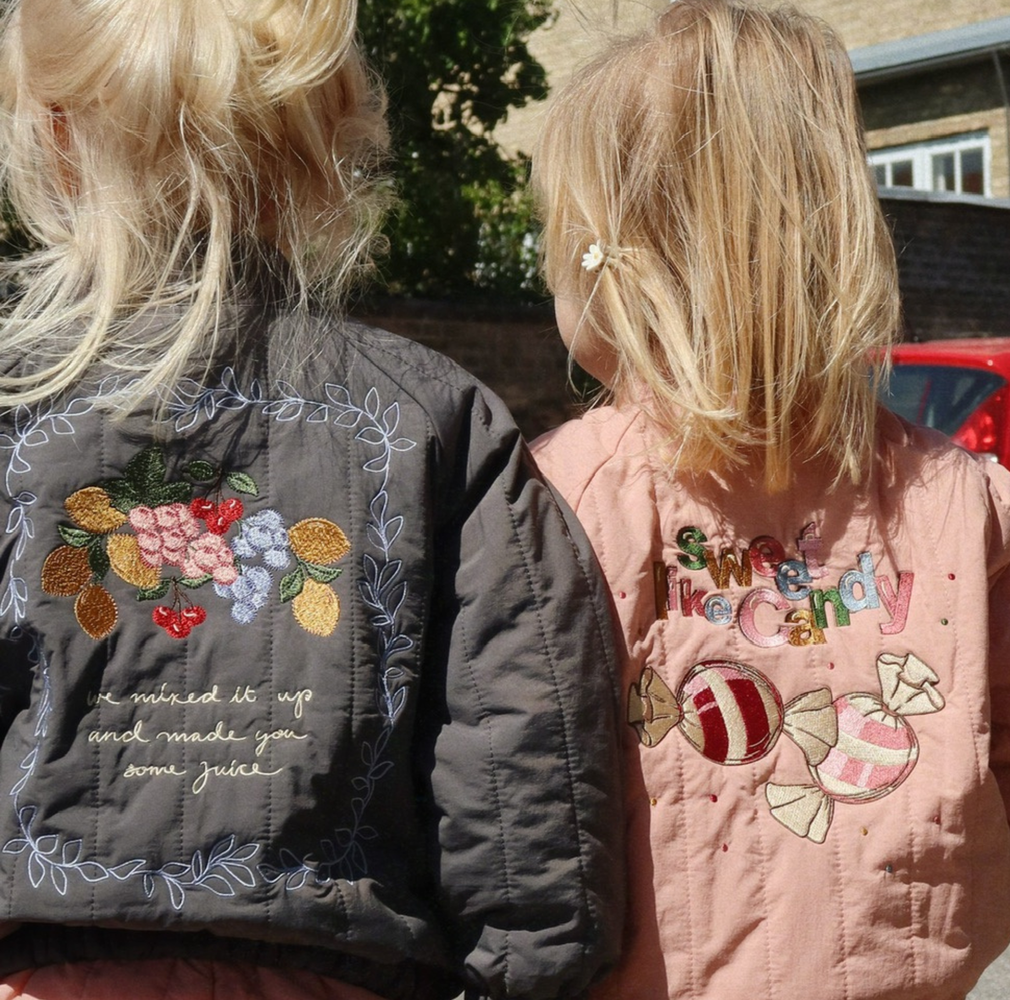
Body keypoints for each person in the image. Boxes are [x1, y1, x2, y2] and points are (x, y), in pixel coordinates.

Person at [0, 2, 625, 999]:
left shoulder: (17, 410)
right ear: (330, 142)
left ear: (58, 131)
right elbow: (521, 792)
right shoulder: (432, 419)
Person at [526, 2, 1010, 997]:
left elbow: (506, 769)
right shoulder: (953, 494)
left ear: (618, 271)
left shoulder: (564, 499)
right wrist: (959, 817)